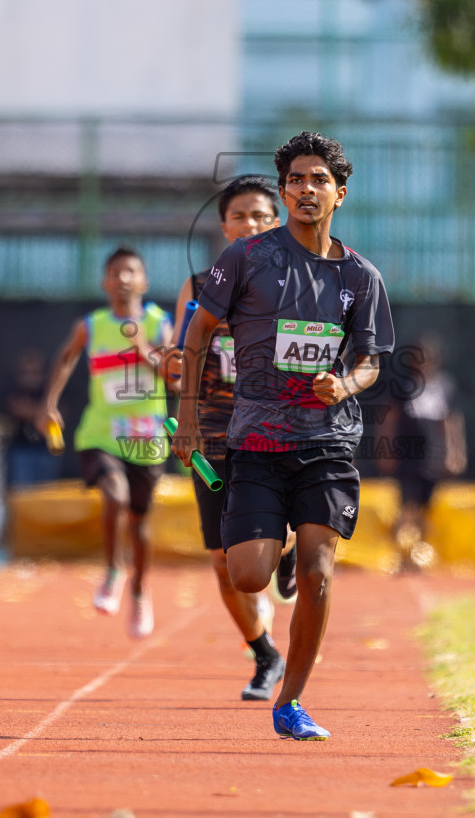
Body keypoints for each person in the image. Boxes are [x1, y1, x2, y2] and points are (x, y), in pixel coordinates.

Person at [173, 131, 393, 742]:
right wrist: (189, 417)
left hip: (328, 442)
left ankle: (291, 702)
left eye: (318, 179)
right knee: (245, 574)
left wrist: (346, 385)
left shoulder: (361, 276)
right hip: (257, 442)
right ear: (284, 190)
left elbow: (373, 361)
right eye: (295, 179)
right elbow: (197, 334)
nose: (305, 188)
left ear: (339, 194)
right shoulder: (245, 259)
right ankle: (282, 549)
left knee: (320, 569)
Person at [168, 175, 295, 702]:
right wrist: (179, 391)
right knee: (222, 561)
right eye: (241, 215)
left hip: (275, 434)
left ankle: (286, 546)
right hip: (215, 438)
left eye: (262, 215)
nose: (251, 224)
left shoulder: (295, 284)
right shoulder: (197, 289)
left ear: (277, 222)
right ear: (224, 226)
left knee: (271, 536)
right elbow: (181, 362)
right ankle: (266, 655)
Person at [42, 246, 173, 639]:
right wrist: (49, 404)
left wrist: (142, 349)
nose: (123, 279)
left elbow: (175, 375)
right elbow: (66, 358)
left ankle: (139, 590)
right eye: (115, 272)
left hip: (146, 435)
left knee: (139, 521)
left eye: (131, 271)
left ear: (144, 281)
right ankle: (113, 570)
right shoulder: (92, 324)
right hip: (100, 430)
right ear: (105, 282)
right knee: (112, 495)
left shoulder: (157, 322)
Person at [387, 333, 466, 570]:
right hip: (406, 453)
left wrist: (455, 452)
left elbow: (451, 421)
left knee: (426, 507)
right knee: (405, 506)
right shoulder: (402, 385)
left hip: (433, 455)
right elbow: (389, 419)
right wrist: (386, 449)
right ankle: (401, 556)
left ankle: (420, 556)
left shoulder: (445, 385)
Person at [6, 349, 61, 488]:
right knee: (22, 493)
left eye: (35, 369)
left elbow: (59, 412)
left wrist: (37, 410)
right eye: (27, 369)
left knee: (47, 493)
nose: (31, 373)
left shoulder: (50, 390)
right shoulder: (16, 389)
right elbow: (17, 409)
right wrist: (43, 412)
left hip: (47, 449)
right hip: (22, 451)